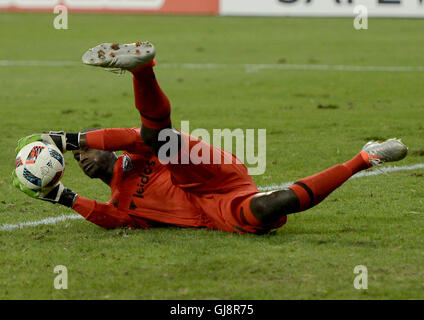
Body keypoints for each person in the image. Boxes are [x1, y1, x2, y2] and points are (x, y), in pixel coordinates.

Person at [13, 41, 408, 234]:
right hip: (214, 208)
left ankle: (142, 68)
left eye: (84, 151)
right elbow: (112, 220)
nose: (83, 158)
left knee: (158, 139)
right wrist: (60, 197)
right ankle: (366, 158)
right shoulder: (120, 203)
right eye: (77, 160)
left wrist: (64, 138)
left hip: (206, 172)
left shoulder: (133, 152)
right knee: (271, 210)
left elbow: (134, 135)